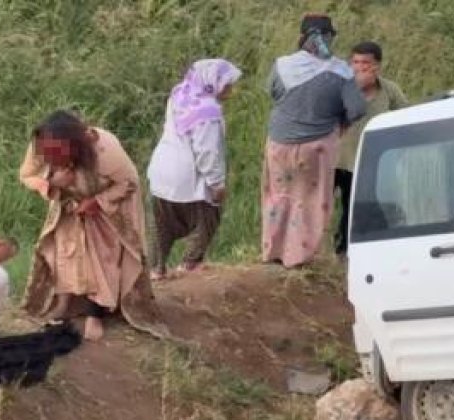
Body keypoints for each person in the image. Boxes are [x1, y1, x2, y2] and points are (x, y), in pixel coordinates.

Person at [19, 110, 166, 341]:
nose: (50, 157)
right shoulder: (42, 144)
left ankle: (94, 314)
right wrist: (51, 183)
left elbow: (129, 183)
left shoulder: (107, 153)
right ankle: (64, 303)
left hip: (109, 208)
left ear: (75, 145)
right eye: (48, 152)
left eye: (57, 153)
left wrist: (96, 202)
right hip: (67, 202)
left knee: (101, 257)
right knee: (64, 252)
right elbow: (27, 175)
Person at [261, 14, 366, 268]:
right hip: (317, 148)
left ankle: (273, 252)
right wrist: (339, 121)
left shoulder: (283, 65)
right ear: (330, 38)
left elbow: (272, 91)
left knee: (278, 196)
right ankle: (300, 257)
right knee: (310, 200)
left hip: (279, 142)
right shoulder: (342, 71)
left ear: (302, 38)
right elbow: (357, 109)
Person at [146, 58, 243, 279]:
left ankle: (155, 269)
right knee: (208, 214)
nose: (230, 88)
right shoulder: (208, 111)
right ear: (213, 82)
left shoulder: (179, 94)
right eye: (227, 83)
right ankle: (191, 263)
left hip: (161, 170)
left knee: (162, 222)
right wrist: (216, 183)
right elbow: (207, 151)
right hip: (186, 173)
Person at [334, 41, 409, 258]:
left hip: (364, 161)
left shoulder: (389, 90)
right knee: (321, 206)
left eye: (365, 63)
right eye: (355, 62)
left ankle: (344, 252)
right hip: (335, 158)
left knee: (353, 208)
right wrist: (356, 87)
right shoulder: (342, 87)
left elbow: (404, 115)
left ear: (377, 66)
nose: (359, 67)